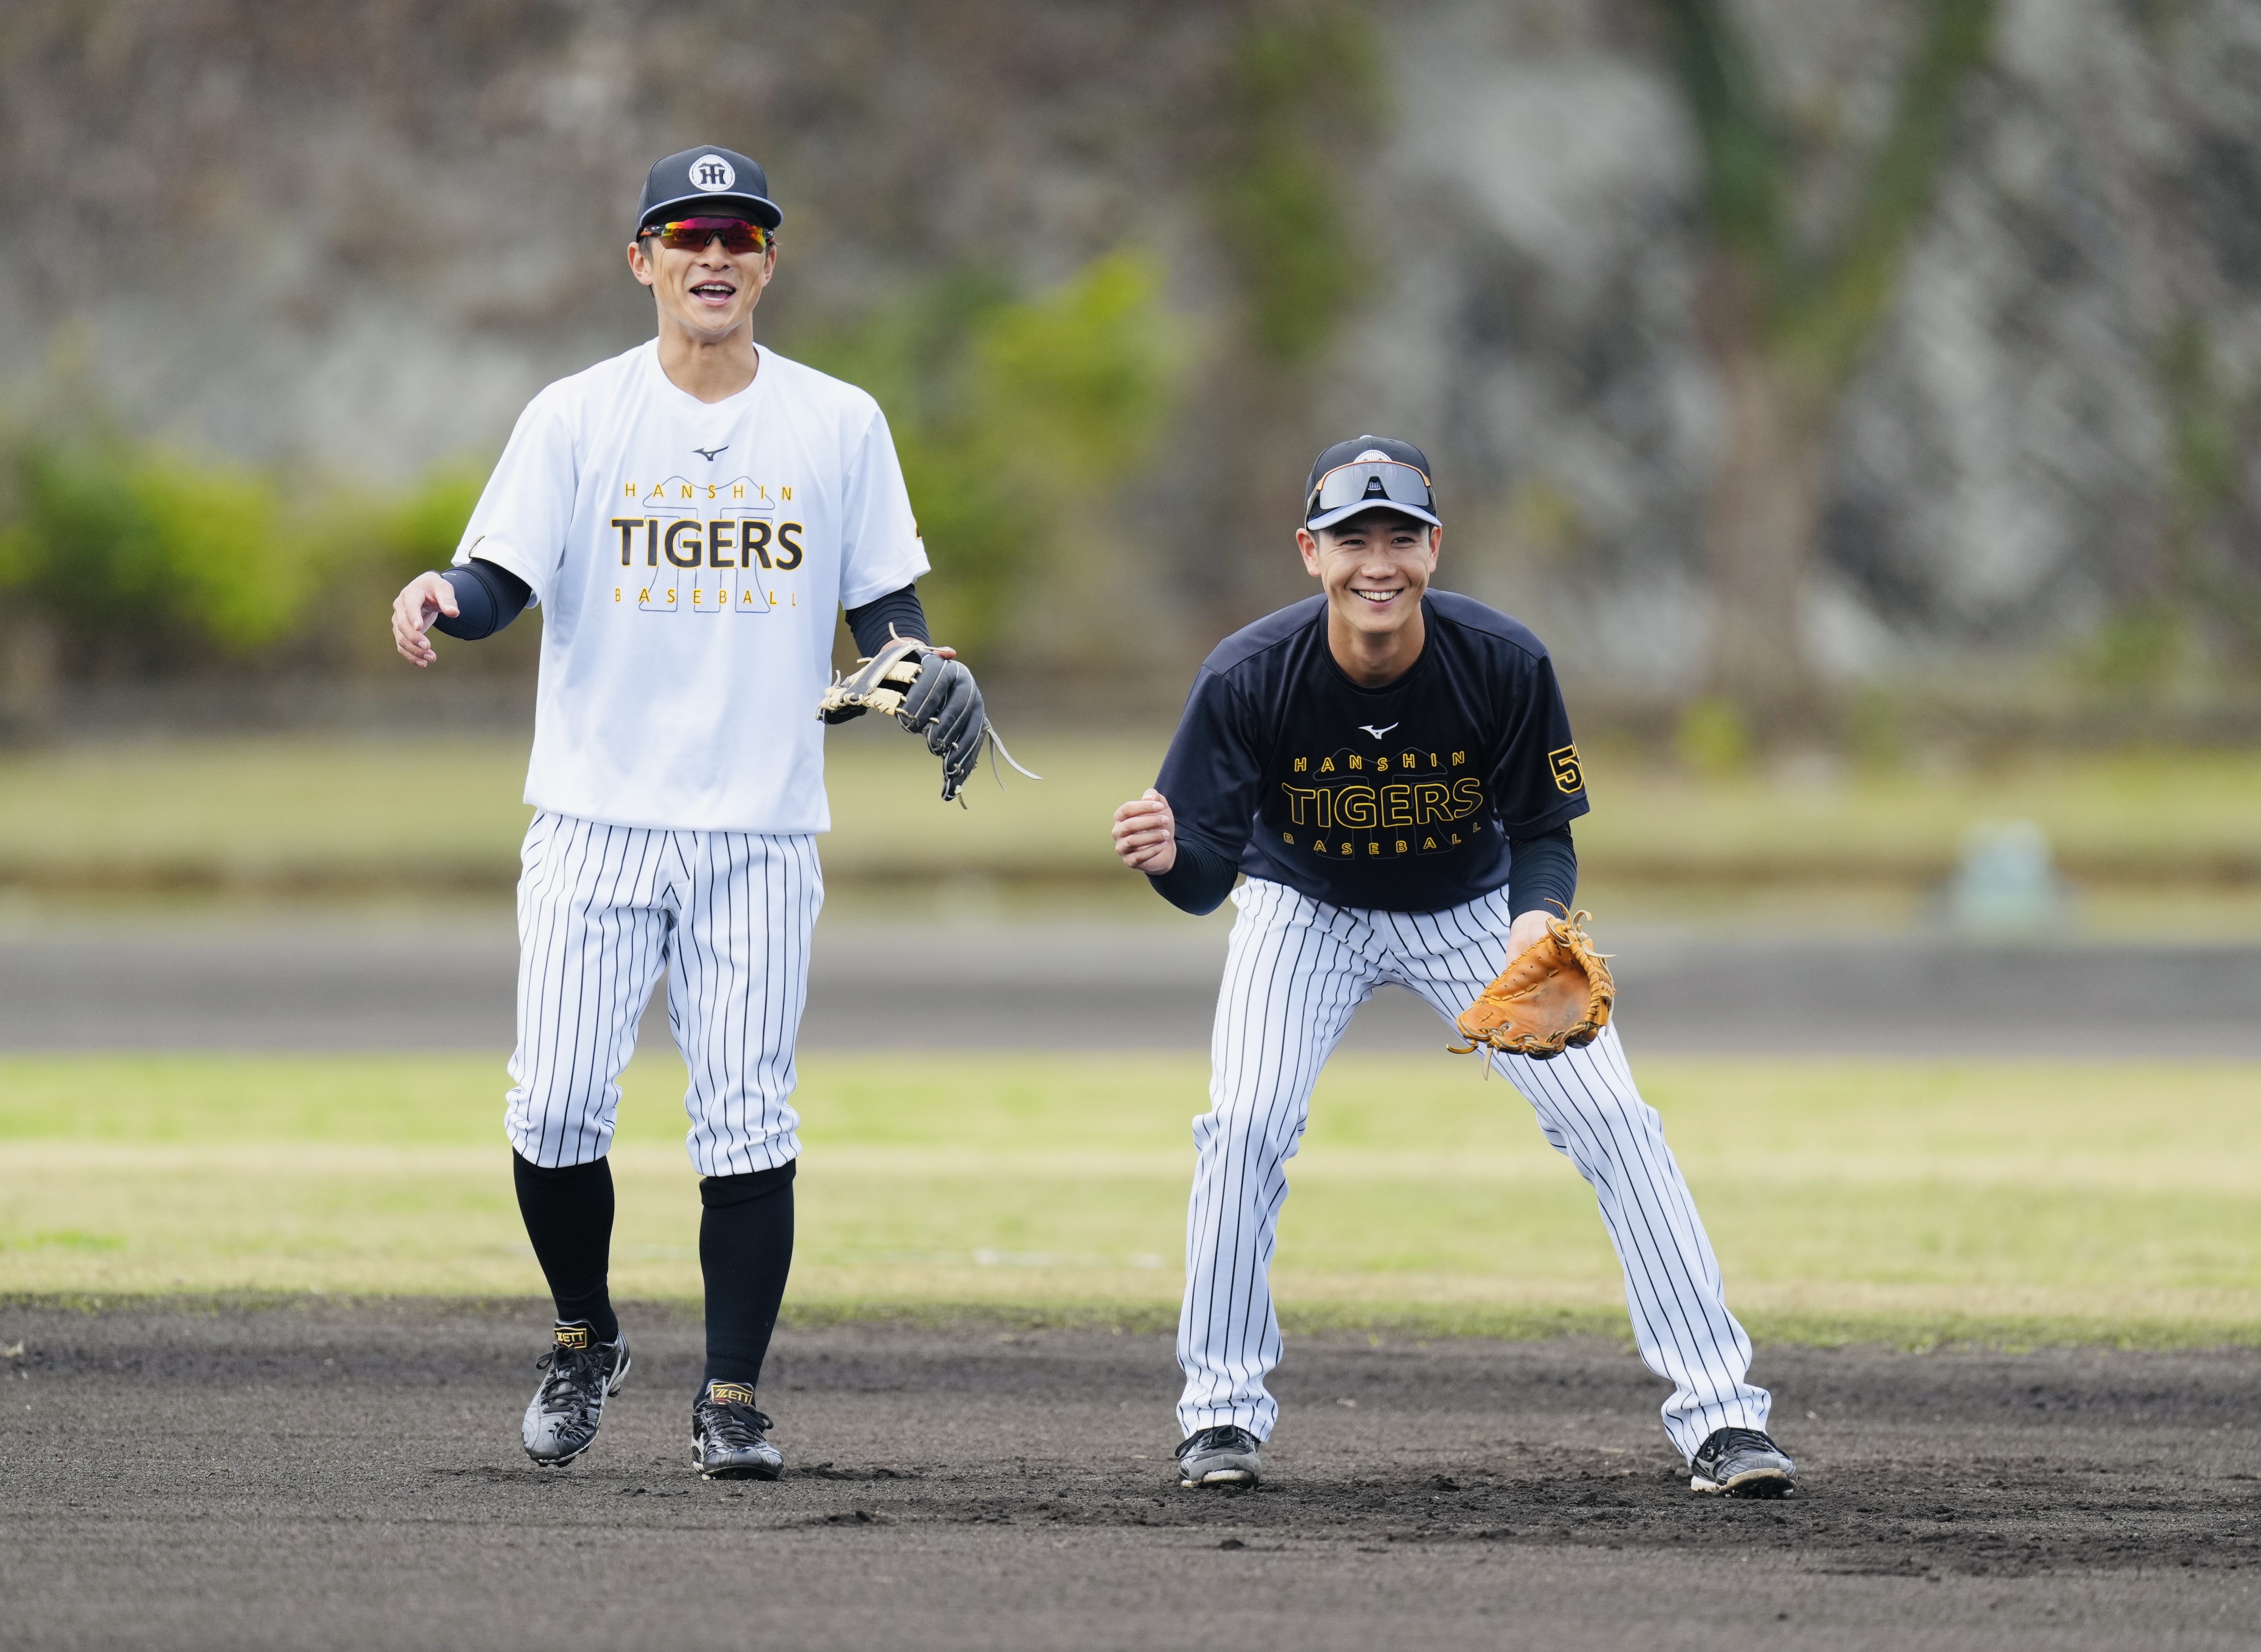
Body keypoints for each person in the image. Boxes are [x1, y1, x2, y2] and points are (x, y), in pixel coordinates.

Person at [390, 146, 988, 1481]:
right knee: (550, 1111)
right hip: (595, 815)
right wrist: (443, 596)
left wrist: (929, 672)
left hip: (762, 827)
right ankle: (585, 1332)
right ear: (643, 260)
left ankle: (732, 1399)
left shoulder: (839, 422)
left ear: (769, 263)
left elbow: (888, 622)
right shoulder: (577, 416)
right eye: (686, 234)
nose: (712, 256)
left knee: (746, 1122)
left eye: (738, 235)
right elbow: (500, 578)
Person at [1109, 437, 1796, 1497]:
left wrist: (1536, 922)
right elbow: (1203, 879)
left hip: (1474, 910)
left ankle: (1720, 1416)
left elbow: (1544, 829)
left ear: (1434, 546)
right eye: (1351, 539)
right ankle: (1221, 1417)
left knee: (1617, 1120)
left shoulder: (1502, 660)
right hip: (1304, 907)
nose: (1375, 561)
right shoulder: (1247, 675)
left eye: (1398, 536)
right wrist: (1167, 864)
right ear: (1309, 552)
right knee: (1242, 1125)